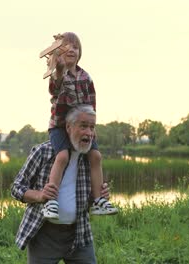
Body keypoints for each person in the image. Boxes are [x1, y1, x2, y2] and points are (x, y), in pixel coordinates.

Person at [11, 105, 111, 263]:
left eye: (92, 127)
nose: (89, 133)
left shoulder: (90, 158)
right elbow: (17, 188)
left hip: (79, 233)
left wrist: (98, 196)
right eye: (83, 126)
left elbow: (85, 199)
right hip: (44, 235)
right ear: (68, 127)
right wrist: (40, 195)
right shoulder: (43, 152)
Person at [43, 32, 117, 219]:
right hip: (60, 126)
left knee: (96, 156)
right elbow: (55, 87)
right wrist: (59, 69)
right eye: (66, 47)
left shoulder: (86, 77)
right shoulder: (58, 74)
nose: (72, 50)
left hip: (82, 126)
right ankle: (51, 201)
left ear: (80, 53)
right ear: (58, 52)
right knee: (62, 156)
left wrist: (92, 127)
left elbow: (91, 105)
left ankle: (99, 200)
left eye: (75, 47)